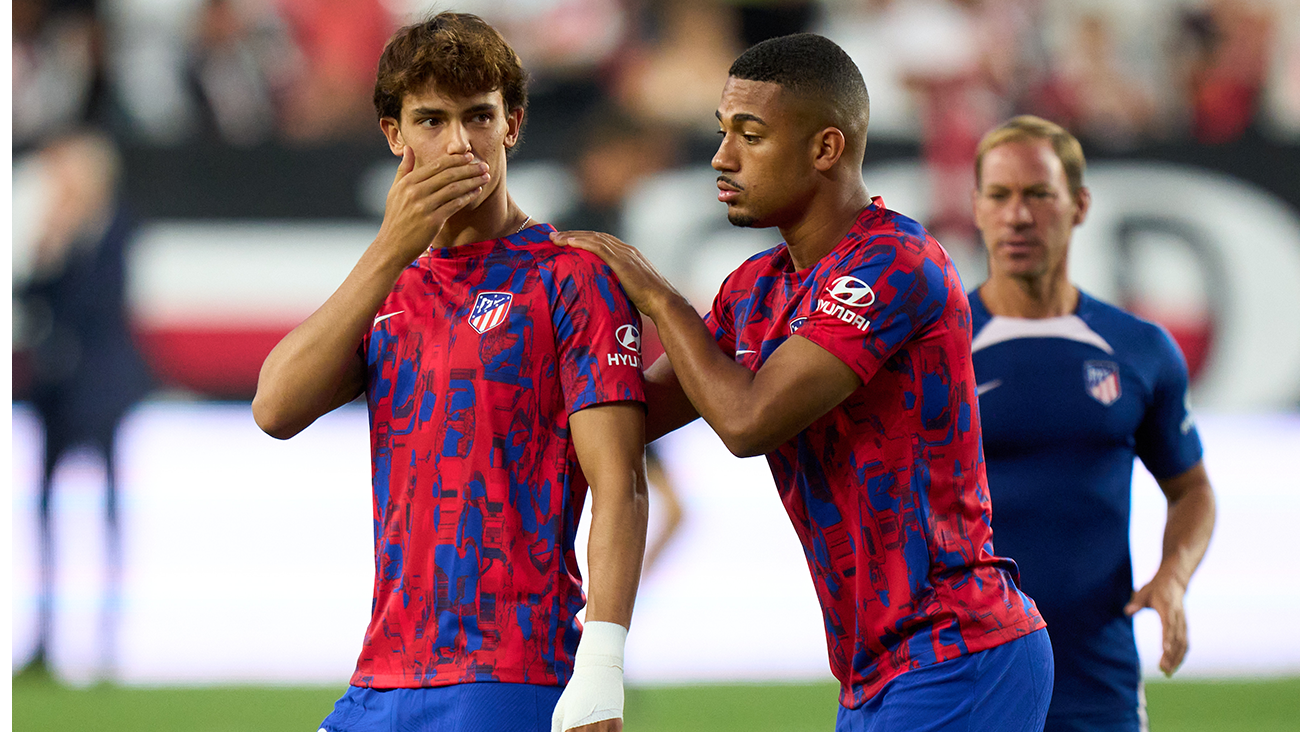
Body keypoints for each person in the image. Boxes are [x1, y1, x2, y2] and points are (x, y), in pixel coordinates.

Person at [554, 33, 1051, 731]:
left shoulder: (894, 262)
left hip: (959, 650)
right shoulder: (756, 289)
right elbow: (627, 415)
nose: (722, 158)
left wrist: (659, 300)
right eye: (723, 132)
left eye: (750, 136)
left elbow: (747, 421)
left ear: (825, 148)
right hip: (873, 672)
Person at [252, 13, 648, 732]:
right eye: (431, 120)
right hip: (380, 675)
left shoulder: (569, 276)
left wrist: (602, 670)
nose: (459, 144)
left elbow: (620, 484)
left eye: (479, 117)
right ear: (394, 135)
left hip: (511, 675)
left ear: (514, 125)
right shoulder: (389, 291)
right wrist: (387, 251)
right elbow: (275, 407)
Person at [967, 115, 1217, 732]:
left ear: (1079, 205)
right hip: (967, 679)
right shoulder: (934, 350)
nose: (1017, 216)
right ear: (976, 209)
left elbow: (1192, 489)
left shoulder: (1139, 349)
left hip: (1098, 681)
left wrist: (1173, 576)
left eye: (1038, 194)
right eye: (999, 196)